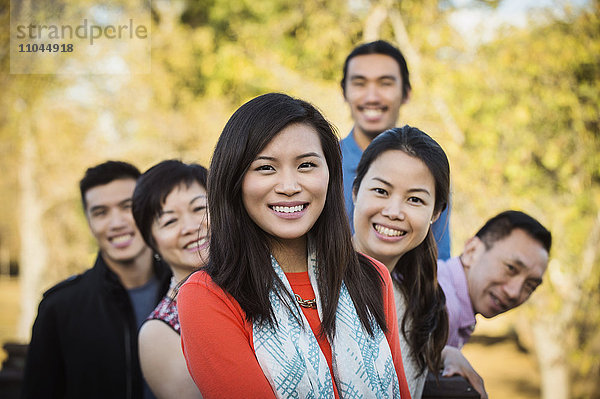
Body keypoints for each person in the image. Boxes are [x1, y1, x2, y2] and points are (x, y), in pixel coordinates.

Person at [178, 92, 411, 398]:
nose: (289, 186)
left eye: (306, 166)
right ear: (234, 181)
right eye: (265, 168)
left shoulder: (369, 276)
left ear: (330, 174)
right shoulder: (208, 296)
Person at [22, 161, 172, 399]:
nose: (117, 223)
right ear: (89, 223)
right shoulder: (59, 308)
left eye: (127, 206)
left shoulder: (186, 291)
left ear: (147, 210)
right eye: (101, 212)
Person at [351, 126, 450, 399]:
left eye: (415, 199)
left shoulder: (420, 306)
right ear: (356, 192)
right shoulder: (307, 279)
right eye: (381, 191)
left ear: (436, 213)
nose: (393, 212)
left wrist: (448, 353)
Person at [340, 39, 452, 260]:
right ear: (344, 92)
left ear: (406, 93)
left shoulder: (429, 170)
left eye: (385, 83)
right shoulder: (320, 163)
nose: (372, 97)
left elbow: (437, 260)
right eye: (360, 83)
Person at [132, 160, 208, 399]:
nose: (190, 227)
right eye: (169, 221)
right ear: (152, 243)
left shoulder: (269, 279)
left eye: (199, 208)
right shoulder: (159, 333)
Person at [438, 210, 551, 348]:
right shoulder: (440, 305)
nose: (514, 292)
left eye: (530, 286)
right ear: (472, 251)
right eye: (511, 268)